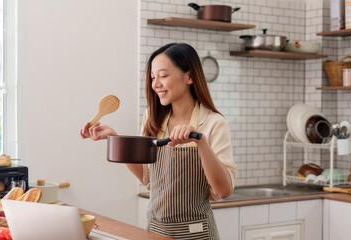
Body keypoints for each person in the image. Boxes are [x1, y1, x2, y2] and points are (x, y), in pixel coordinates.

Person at [80, 43, 237, 240]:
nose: (155, 84)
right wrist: (114, 138)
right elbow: (147, 178)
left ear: (189, 76)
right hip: (155, 230)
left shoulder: (214, 123)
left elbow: (224, 191)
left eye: (163, 76)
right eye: (153, 78)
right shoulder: (152, 118)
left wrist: (201, 142)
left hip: (196, 233)